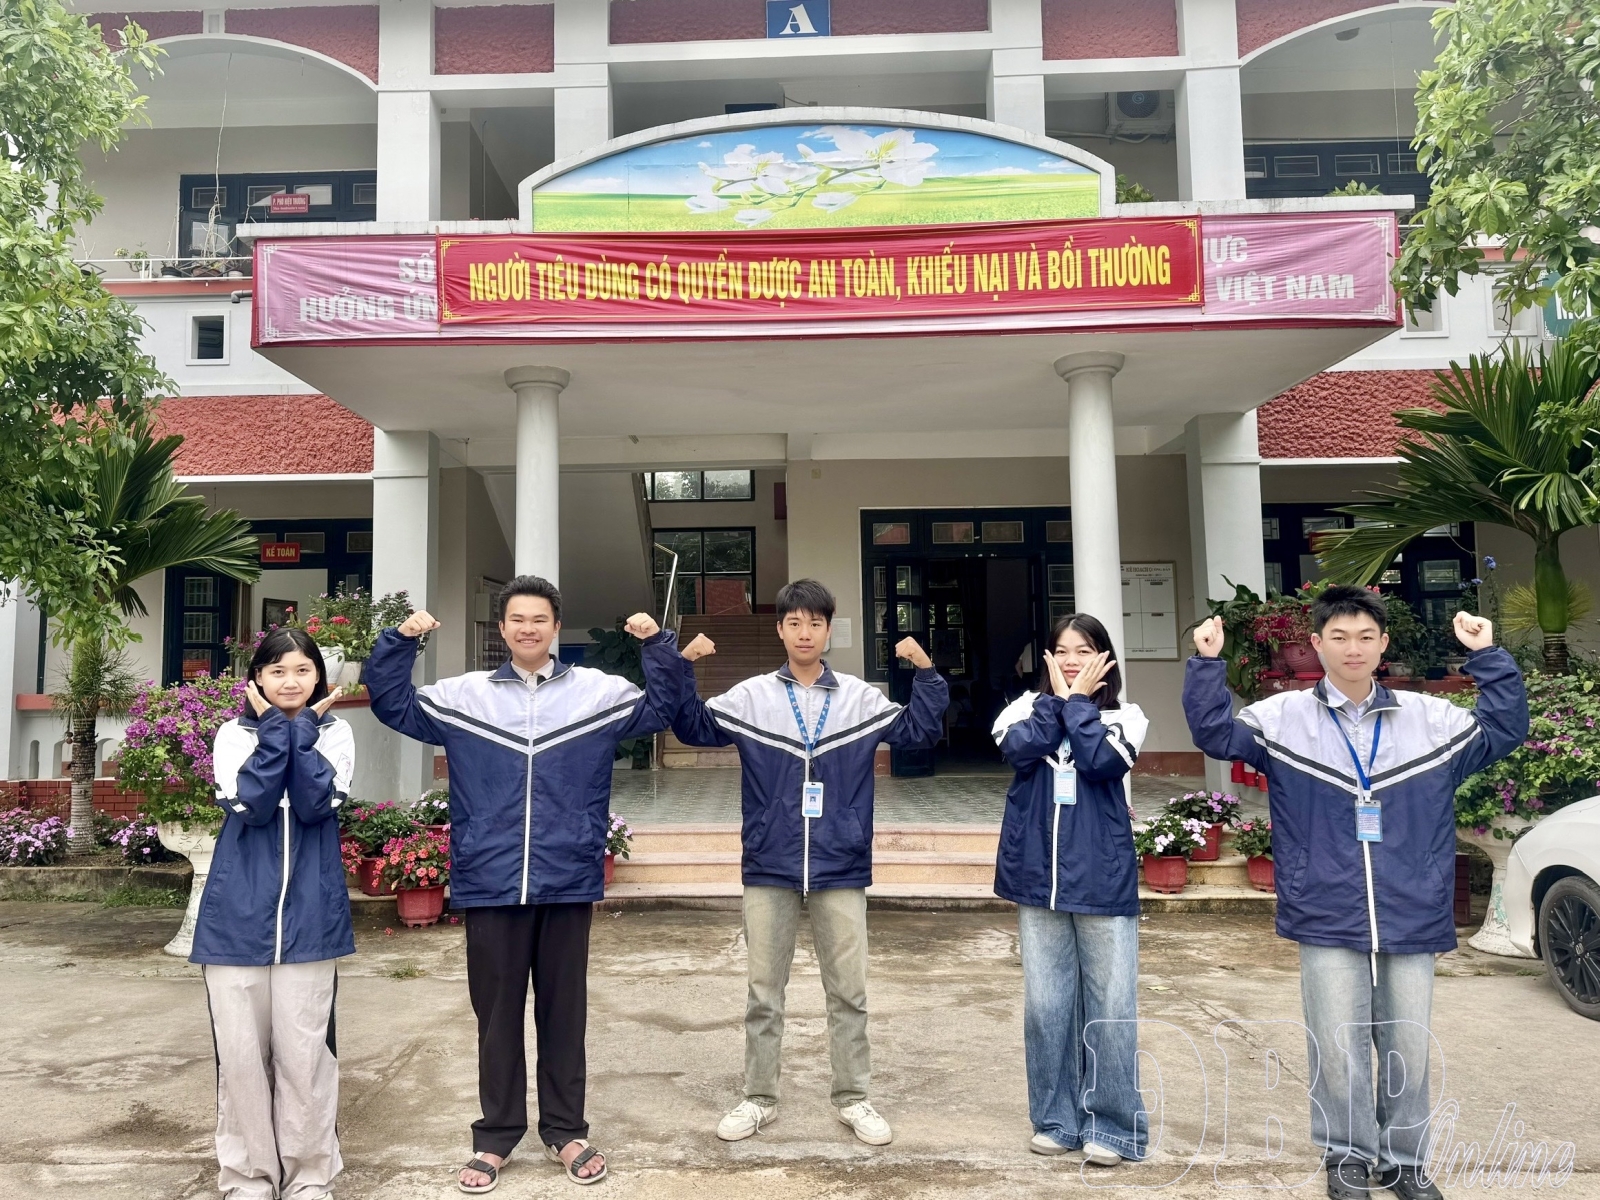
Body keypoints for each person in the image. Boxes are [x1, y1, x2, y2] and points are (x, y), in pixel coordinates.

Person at [1183, 587, 1527, 1200]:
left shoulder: (1430, 719)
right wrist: (1208, 663)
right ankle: (1345, 1156)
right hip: (1325, 902)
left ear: (1383, 644)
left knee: (1407, 1043)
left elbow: (1504, 727)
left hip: (1410, 903)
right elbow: (1214, 732)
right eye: (1339, 637)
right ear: (1316, 644)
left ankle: (1404, 1162)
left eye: (1366, 637)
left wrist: (1487, 655)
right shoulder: (1282, 717)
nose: (1353, 649)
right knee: (1337, 1041)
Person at [365, 577, 686, 1192]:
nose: (528, 628)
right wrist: (399, 641)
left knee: (565, 1014)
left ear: (556, 627)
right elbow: (393, 704)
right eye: (517, 619)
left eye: (539, 619)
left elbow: (663, 708)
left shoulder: (597, 693)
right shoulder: (465, 696)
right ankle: (495, 1136)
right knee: (497, 1018)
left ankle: (566, 1131)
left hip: (566, 875)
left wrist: (658, 647)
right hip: (490, 877)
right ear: (503, 628)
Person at [670, 578, 949, 1146]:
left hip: (840, 862)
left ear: (828, 630)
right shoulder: (751, 697)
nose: (804, 632)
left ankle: (853, 1097)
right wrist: (681, 666)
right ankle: (758, 1098)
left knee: (849, 992)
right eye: (794, 622)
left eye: (815, 623)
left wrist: (926, 673)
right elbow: (694, 727)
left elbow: (918, 732)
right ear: (780, 629)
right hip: (769, 861)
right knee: (763, 993)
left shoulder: (859, 699)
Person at [192, 627, 355, 1200]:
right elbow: (252, 805)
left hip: (311, 915)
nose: (291, 681)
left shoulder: (336, 733)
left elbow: (316, 804)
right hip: (236, 917)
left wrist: (300, 733)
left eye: (303, 670)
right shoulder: (231, 735)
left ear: (319, 678)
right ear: (257, 678)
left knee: (306, 1054)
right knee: (239, 1055)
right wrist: (274, 734)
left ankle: (309, 1174)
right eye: (278, 670)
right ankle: (249, 1176)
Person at [991, 613, 1149, 1166]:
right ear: (1048, 659)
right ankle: (1057, 1119)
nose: (1072, 660)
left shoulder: (1127, 717)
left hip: (1102, 878)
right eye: (1061, 651)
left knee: (1111, 1005)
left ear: (1104, 658)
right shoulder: (1022, 709)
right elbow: (1020, 749)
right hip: (1037, 879)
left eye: (1084, 650)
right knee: (1046, 1006)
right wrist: (1057, 703)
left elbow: (1101, 761)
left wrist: (1078, 703)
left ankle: (1114, 1127)